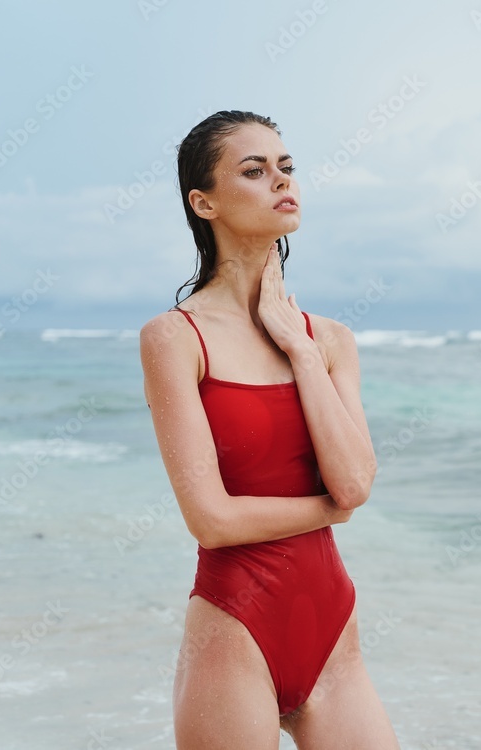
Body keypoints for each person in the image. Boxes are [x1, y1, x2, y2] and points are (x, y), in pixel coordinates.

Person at [140, 110, 401, 749]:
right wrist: (328, 511)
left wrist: (301, 351)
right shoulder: (175, 339)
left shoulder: (330, 340)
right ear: (205, 203)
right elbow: (211, 520)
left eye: (286, 167)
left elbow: (355, 482)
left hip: (332, 632)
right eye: (253, 171)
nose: (281, 181)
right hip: (233, 629)